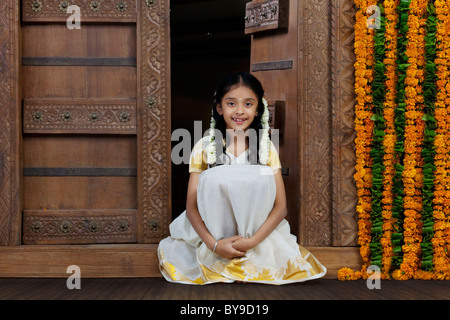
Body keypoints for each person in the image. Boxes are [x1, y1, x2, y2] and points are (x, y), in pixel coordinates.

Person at [158, 72, 326, 284]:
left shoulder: (266, 149)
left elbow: (280, 207)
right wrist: (214, 245)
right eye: (231, 103)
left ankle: (249, 257)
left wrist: (251, 242)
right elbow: (191, 207)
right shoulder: (204, 147)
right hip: (213, 238)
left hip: (258, 239)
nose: (239, 111)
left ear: (257, 110)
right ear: (219, 108)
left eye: (248, 104)